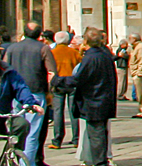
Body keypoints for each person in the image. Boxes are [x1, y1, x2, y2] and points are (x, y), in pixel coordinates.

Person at [51, 27, 115, 166]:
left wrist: (56, 80)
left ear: (86, 41)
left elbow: (78, 79)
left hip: (94, 100)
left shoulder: (91, 57)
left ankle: (100, 163)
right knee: (101, 133)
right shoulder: (105, 55)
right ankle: (101, 160)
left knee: (96, 134)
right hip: (104, 99)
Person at [7, 20, 56, 165]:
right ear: (39, 34)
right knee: (33, 132)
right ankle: (27, 163)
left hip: (16, 94)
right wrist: (50, 92)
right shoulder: (43, 48)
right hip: (35, 92)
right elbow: (51, 72)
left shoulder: (12, 49)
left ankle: (15, 157)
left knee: (18, 128)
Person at [50, 30, 80, 149]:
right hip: (72, 83)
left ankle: (57, 140)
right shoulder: (74, 52)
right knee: (74, 111)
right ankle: (76, 139)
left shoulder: (52, 53)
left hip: (58, 83)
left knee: (58, 112)